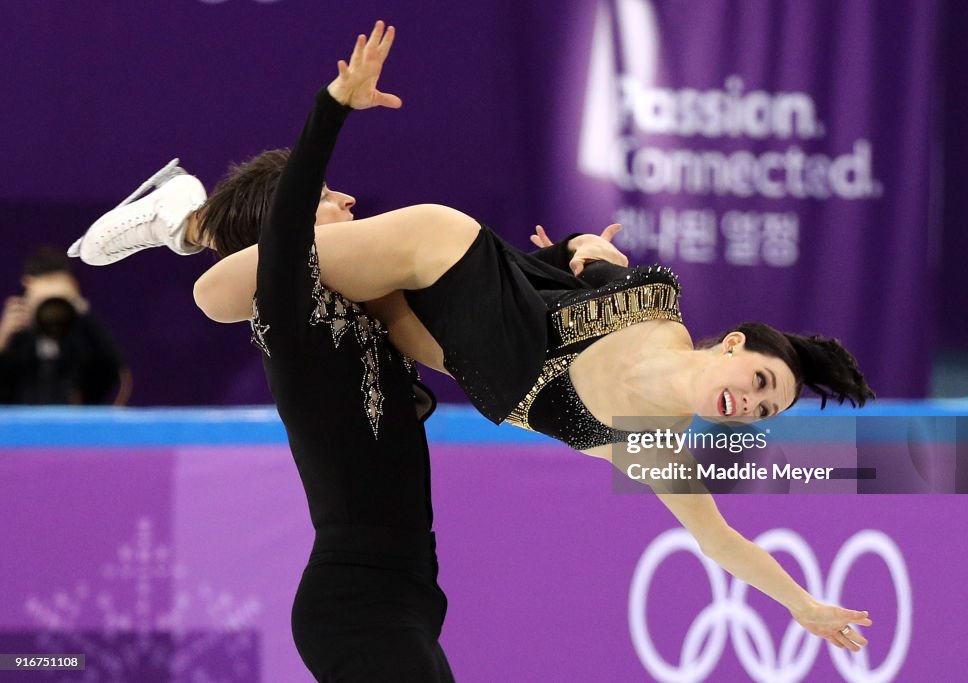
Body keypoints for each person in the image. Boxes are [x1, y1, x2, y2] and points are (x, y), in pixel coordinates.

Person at [71, 21, 874, 654]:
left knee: (293, 270)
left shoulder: (649, 448)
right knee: (225, 292)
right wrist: (584, 252)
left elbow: (721, 538)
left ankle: (209, 210)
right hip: (445, 250)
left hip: (423, 330)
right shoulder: (657, 302)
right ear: (732, 345)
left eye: (763, 413)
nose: (749, 404)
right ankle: (185, 216)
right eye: (764, 381)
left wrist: (803, 604)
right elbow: (578, 272)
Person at [0, 246, 128, 405]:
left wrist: (83, 313)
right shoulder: (16, 333)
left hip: (73, 423)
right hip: (17, 424)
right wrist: (3, 339)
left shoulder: (80, 332)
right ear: (28, 286)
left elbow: (114, 372)